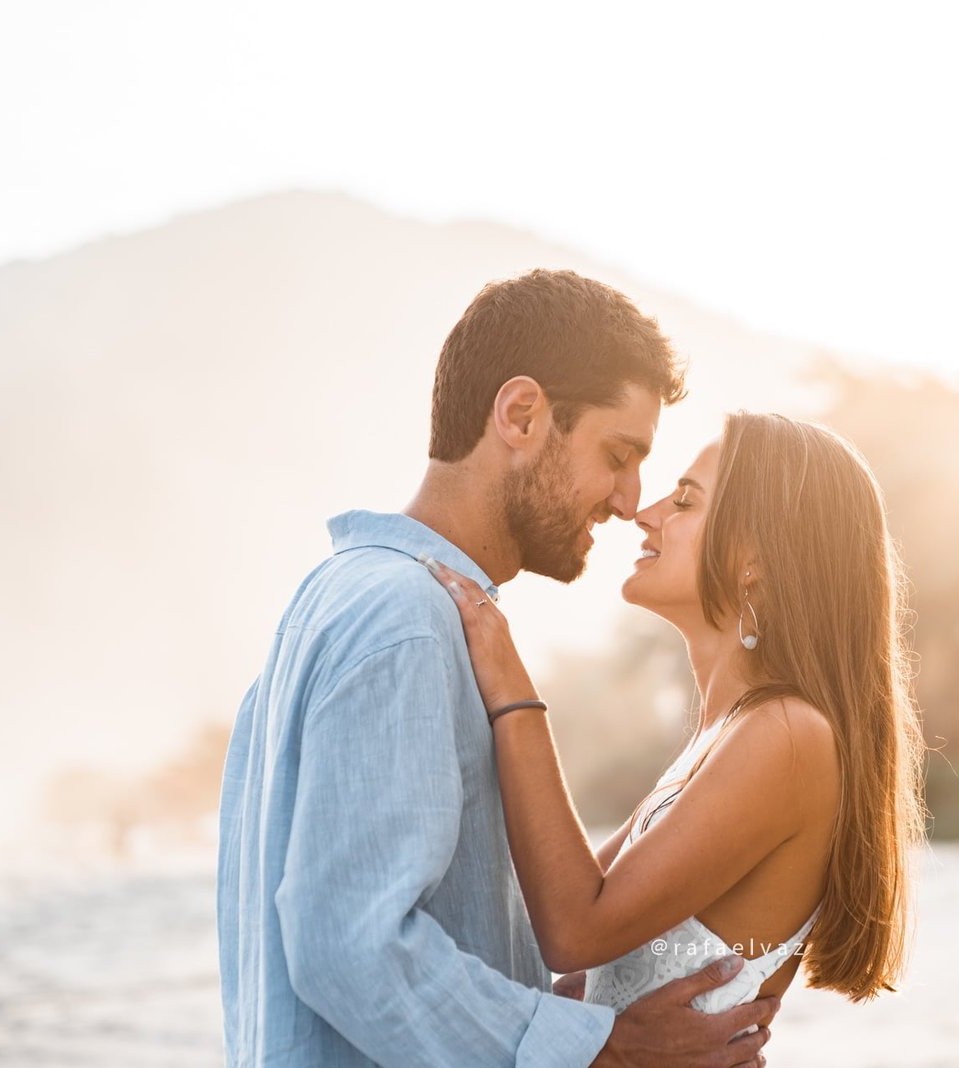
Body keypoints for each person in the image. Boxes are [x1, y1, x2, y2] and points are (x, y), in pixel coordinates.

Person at [217, 269, 779, 1067]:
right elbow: (351, 946)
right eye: (618, 455)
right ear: (521, 415)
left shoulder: (339, 600)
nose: (629, 501)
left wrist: (559, 1008)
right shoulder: (404, 621)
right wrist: (605, 1053)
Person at [422, 410, 927, 1022]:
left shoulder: (786, 735)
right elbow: (544, 928)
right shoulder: (724, 736)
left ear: (755, 560)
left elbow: (574, 930)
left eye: (685, 501)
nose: (645, 512)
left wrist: (512, 688)